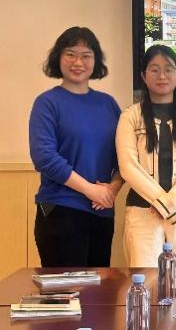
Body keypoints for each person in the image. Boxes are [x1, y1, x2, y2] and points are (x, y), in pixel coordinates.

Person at [29, 26, 122, 267]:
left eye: (86, 55)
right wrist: (90, 190)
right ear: (58, 57)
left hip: (101, 212)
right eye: (70, 54)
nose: (78, 62)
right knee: (67, 290)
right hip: (61, 211)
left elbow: (125, 157)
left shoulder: (108, 105)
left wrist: (112, 190)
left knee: (99, 289)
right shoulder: (47, 103)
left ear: (96, 61)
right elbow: (45, 157)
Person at [116, 45, 176, 267]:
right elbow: (128, 166)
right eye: (154, 70)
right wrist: (160, 201)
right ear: (143, 76)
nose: (162, 76)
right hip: (142, 211)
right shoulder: (130, 116)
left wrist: (169, 203)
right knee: (145, 278)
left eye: (169, 69)